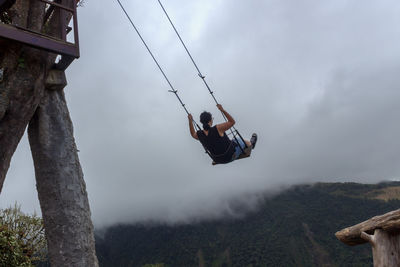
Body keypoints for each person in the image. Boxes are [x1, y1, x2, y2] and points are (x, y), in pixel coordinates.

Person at [188, 104, 257, 164]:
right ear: (210, 120)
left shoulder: (199, 134)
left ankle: (246, 145)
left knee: (232, 141)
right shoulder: (218, 128)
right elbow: (232, 122)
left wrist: (190, 121)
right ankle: (251, 144)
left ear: (201, 122)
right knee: (240, 140)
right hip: (230, 156)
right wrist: (222, 110)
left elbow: (192, 134)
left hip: (217, 159)